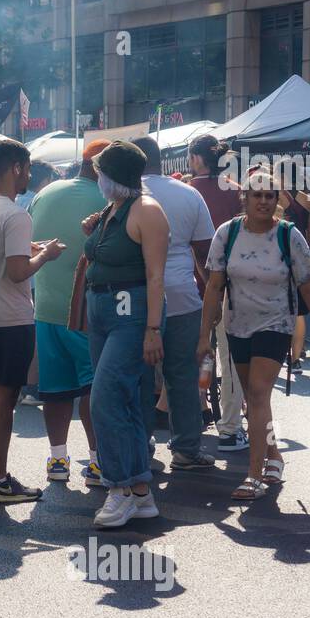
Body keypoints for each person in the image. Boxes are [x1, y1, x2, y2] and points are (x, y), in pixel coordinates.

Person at [199, 173, 310, 500]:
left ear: (278, 200)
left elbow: (308, 287)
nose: (264, 201)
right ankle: (274, 454)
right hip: (237, 326)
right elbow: (214, 286)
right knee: (255, 399)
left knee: (258, 394)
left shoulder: (288, 236)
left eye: (270, 195)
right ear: (243, 197)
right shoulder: (227, 233)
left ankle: (253, 475)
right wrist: (204, 335)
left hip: (276, 325)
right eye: (257, 195)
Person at [0, 138, 65, 505]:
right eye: (28, 169)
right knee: (5, 399)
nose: (29, 176)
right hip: (12, 319)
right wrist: (46, 255)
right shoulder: (17, 213)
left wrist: (25, 250)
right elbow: (19, 272)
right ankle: (0, 480)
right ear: (17, 167)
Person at [80, 141, 169, 528]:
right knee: (125, 401)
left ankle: (119, 488)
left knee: (105, 399)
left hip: (130, 315)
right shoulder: (114, 208)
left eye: (101, 171)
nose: (96, 177)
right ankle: (139, 491)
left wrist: (152, 329)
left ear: (113, 175)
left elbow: (155, 276)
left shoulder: (146, 210)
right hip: (102, 310)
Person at [133, 136, 217, 470]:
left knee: (138, 376)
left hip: (137, 298)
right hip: (183, 296)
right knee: (181, 374)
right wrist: (212, 292)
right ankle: (186, 449)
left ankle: (141, 448)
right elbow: (205, 252)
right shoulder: (187, 193)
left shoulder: (126, 196)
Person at [27, 142, 106, 485]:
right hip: (85, 310)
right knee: (93, 387)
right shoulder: (108, 200)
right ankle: (97, 460)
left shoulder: (46, 193)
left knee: (56, 389)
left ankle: (58, 458)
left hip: (45, 307)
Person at [185, 133, 247, 452]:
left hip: (189, 289)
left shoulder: (187, 193)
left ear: (196, 159)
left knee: (192, 355)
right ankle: (230, 428)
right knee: (229, 357)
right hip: (229, 288)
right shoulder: (237, 193)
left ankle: (194, 414)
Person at [276, 169, 310, 372]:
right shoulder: (307, 199)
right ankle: (296, 357)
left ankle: (283, 353)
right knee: (299, 310)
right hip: (301, 254)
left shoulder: (277, 196)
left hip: (280, 255)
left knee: (282, 306)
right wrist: (307, 255)